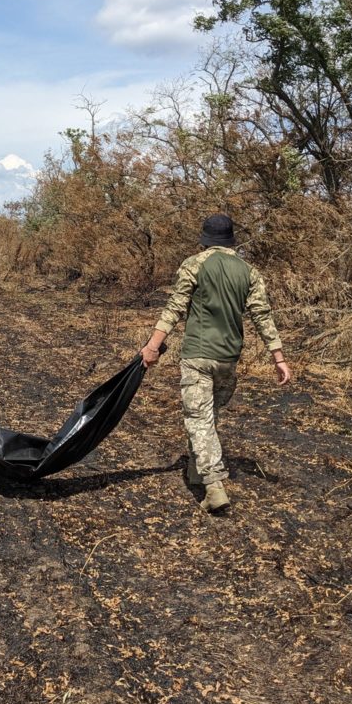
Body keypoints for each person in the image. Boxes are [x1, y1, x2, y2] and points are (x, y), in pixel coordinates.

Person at [139, 214, 291, 512]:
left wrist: (152, 346)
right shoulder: (249, 271)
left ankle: (213, 484)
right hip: (228, 359)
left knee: (198, 420)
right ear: (232, 240)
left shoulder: (195, 264)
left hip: (198, 355)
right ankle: (197, 472)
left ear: (204, 239)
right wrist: (279, 358)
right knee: (208, 418)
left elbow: (175, 308)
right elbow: (263, 315)